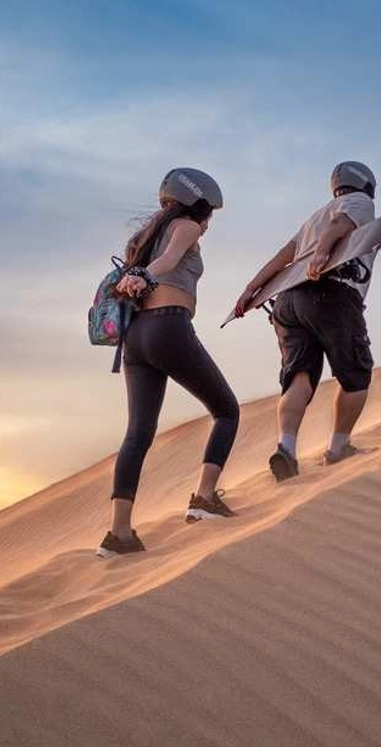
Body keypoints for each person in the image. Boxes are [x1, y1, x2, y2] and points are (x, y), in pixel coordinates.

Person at [98, 167, 241, 558]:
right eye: (209, 212)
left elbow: (154, 261)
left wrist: (140, 271)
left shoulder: (140, 239)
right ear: (197, 205)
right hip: (168, 328)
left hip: (135, 341)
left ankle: (119, 534)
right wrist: (146, 273)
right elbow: (170, 259)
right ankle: (204, 498)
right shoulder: (186, 226)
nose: (208, 222)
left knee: (138, 433)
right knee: (226, 410)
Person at [235, 161, 379, 482]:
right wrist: (321, 254)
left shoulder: (314, 216)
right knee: (356, 375)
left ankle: (286, 448)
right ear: (366, 184)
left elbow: (285, 254)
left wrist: (251, 289)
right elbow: (340, 225)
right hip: (332, 293)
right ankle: (338, 448)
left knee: (299, 376)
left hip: (287, 302)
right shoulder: (358, 203)